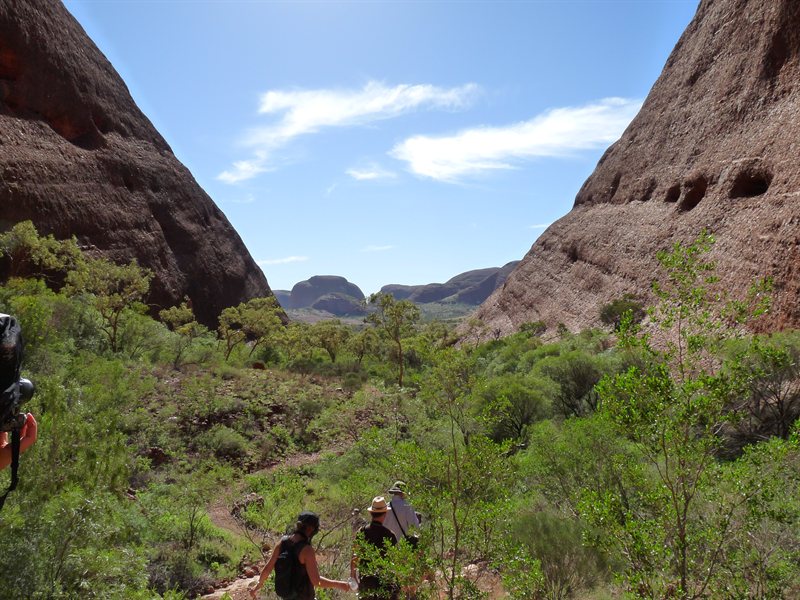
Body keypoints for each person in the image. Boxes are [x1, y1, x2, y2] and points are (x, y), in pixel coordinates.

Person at [250, 510, 351, 599]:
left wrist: (258, 585)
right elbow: (316, 581)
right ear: (311, 529)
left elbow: (268, 568)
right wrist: (339, 584)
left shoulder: (282, 542)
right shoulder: (307, 550)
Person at [351, 496, 398, 600]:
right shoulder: (390, 535)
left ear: (371, 513)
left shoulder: (362, 532)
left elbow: (355, 555)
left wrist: (353, 576)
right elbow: (395, 561)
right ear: (385, 513)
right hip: (385, 582)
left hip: (366, 581)